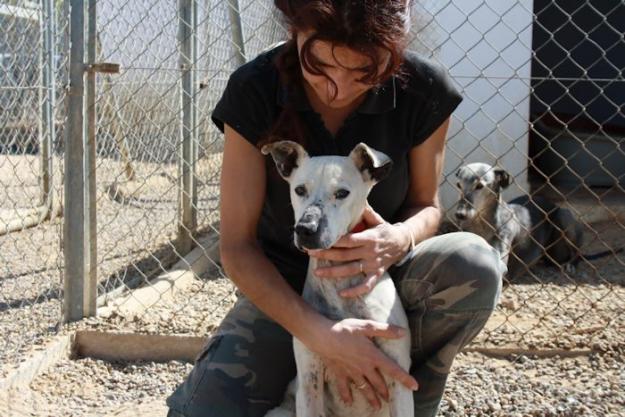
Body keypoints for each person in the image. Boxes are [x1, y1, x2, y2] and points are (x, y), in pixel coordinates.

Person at [167, 1, 505, 416]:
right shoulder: (255, 88)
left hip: (385, 279)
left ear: (393, 52)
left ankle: (409, 394)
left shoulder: (423, 88)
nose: (338, 87)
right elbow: (236, 246)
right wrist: (320, 337)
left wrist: (399, 237)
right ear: (296, 33)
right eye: (320, 65)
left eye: (366, 72)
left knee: (474, 263)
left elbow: (426, 205)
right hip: (283, 287)